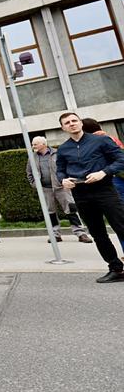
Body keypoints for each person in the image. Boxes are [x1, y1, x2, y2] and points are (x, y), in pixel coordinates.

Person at [56, 112, 124, 283]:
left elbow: (121, 159)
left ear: (80, 123)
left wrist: (104, 172)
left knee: (121, 226)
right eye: (67, 122)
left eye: (74, 120)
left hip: (105, 190)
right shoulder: (63, 149)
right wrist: (63, 180)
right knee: (98, 234)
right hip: (81, 194)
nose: (72, 124)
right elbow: (60, 170)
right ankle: (116, 269)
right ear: (63, 128)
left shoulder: (101, 140)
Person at [25, 136, 92, 243]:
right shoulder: (32, 157)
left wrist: (67, 181)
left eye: (35, 144)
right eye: (33, 144)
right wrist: (34, 184)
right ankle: (55, 234)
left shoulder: (57, 153)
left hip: (61, 187)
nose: (33, 146)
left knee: (71, 209)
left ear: (43, 144)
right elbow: (29, 173)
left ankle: (80, 233)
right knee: (50, 212)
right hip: (45, 189)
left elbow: (67, 167)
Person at [81, 119, 124, 249]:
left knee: (119, 219)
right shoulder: (111, 138)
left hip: (115, 180)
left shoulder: (98, 141)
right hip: (118, 178)